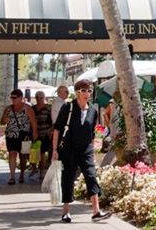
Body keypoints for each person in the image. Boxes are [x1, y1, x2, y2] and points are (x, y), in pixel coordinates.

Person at [51, 79, 111, 223]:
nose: (87, 93)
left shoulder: (92, 111)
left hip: (86, 149)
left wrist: (92, 149)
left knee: (91, 176)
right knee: (68, 178)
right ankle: (66, 211)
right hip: (69, 149)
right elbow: (57, 129)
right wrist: (54, 149)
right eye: (84, 90)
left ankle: (96, 211)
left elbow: (92, 132)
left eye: (89, 90)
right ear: (77, 92)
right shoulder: (68, 107)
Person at [0, 88, 37, 185]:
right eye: (11, 97)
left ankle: (22, 174)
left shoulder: (27, 108)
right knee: (12, 153)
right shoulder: (8, 109)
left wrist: (34, 134)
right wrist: (5, 119)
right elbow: (2, 122)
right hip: (11, 135)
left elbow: (33, 122)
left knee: (23, 155)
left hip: (24, 135)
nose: (12, 99)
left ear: (20, 97)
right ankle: (12, 176)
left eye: (14, 97)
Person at [33, 91, 53, 179]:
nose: (39, 99)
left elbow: (54, 121)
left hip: (45, 134)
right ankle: (34, 168)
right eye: (37, 97)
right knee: (33, 153)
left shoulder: (49, 108)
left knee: (42, 153)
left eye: (41, 97)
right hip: (35, 134)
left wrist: (50, 131)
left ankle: (41, 172)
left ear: (44, 98)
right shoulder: (33, 108)